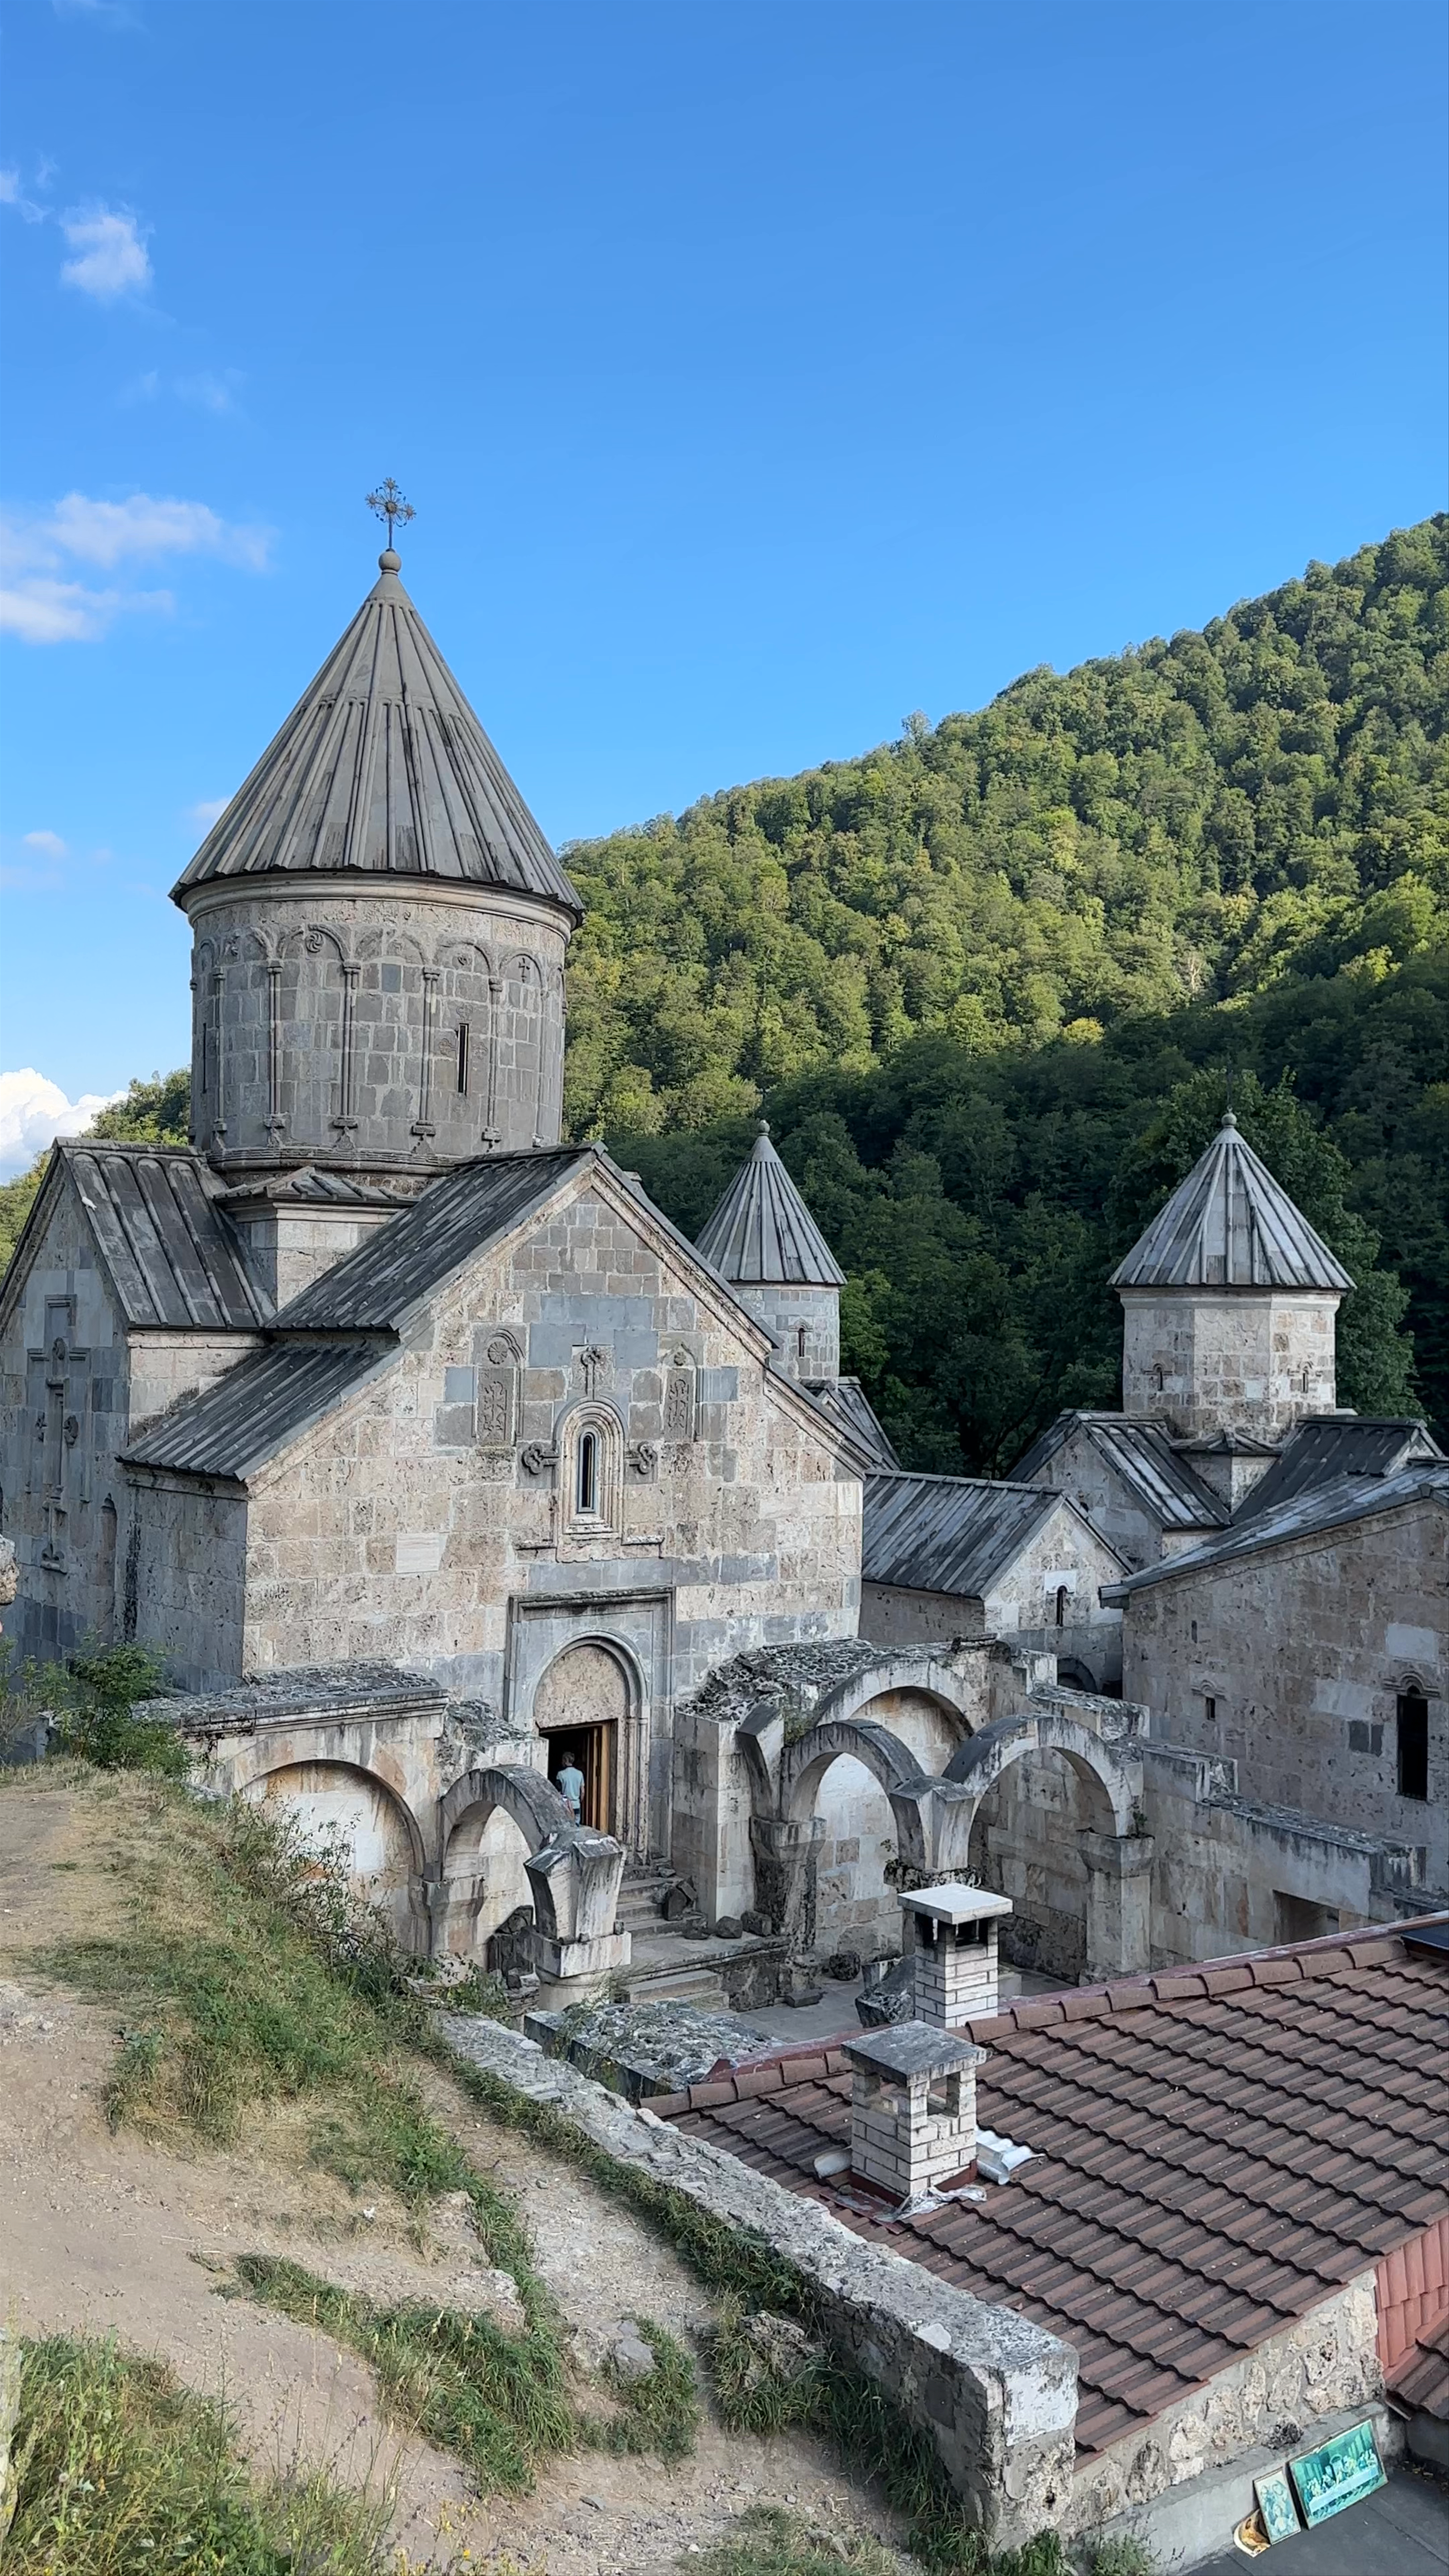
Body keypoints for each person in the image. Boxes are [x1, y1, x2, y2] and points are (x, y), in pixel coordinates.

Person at [555, 1749, 585, 1824]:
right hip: (576, 1805)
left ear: (565, 1761)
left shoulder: (561, 1774)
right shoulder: (580, 1774)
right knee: (577, 1826)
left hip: (566, 1805)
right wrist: (578, 1801)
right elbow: (583, 1792)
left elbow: (558, 1792)